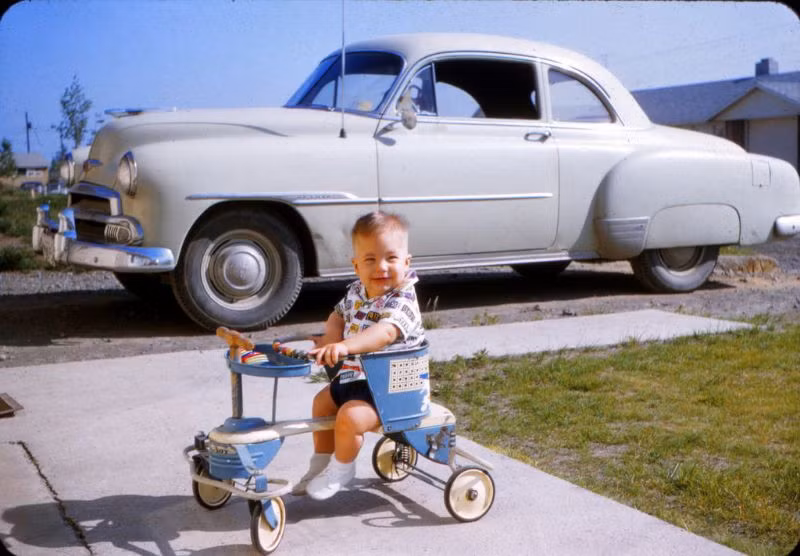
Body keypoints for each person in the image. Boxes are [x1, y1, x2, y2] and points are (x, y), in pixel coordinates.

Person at [295, 211, 425, 500]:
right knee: (322, 403)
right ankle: (319, 465)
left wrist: (345, 346)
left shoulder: (403, 299)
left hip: (394, 390)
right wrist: (330, 338)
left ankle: (342, 470)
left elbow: (385, 333)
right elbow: (337, 316)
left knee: (350, 417)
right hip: (357, 377)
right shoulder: (356, 291)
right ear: (356, 266)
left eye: (391, 258)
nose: (381, 267)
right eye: (370, 260)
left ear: (406, 262)